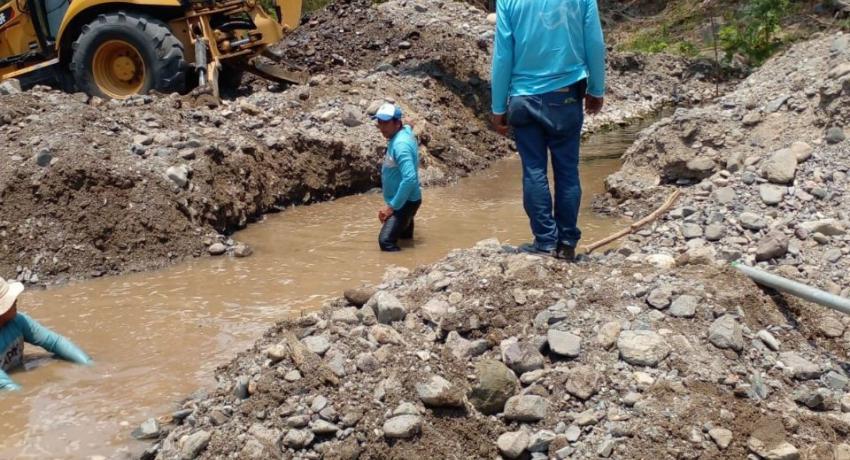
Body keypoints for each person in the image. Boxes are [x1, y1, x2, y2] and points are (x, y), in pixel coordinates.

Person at [490, 0, 606, 261]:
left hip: (523, 98)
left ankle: (544, 242)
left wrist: (498, 106)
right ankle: (566, 243)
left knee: (533, 170)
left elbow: (502, 55)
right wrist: (597, 89)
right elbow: (595, 43)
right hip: (566, 95)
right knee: (567, 170)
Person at [0, 277, 92, 391]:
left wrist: (90, 364)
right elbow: (6, 386)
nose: (16, 300)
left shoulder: (18, 321)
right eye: (11, 299)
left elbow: (55, 342)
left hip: (12, 369)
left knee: (55, 358)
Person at [373, 102, 422, 252]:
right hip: (408, 199)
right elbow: (408, 126)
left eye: (386, 123)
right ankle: (412, 262)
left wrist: (391, 207)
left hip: (404, 203)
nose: (382, 127)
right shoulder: (403, 132)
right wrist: (409, 124)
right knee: (404, 238)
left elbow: (409, 179)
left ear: (396, 123)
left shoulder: (400, 145)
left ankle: (400, 271)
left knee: (385, 241)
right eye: (379, 122)